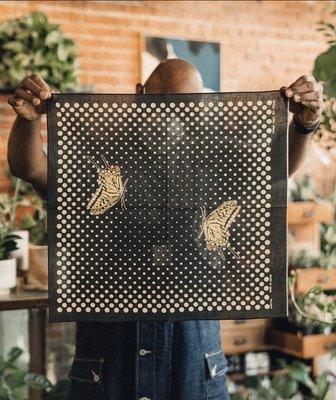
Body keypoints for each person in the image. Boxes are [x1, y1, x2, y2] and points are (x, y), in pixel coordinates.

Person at [7, 59, 323, 400]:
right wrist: (28, 122)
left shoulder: (214, 158)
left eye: (189, 105)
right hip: (110, 348)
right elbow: (33, 168)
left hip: (193, 348)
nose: (176, 115)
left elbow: (276, 168)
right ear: (141, 93)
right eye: (167, 101)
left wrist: (305, 125)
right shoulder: (103, 152)